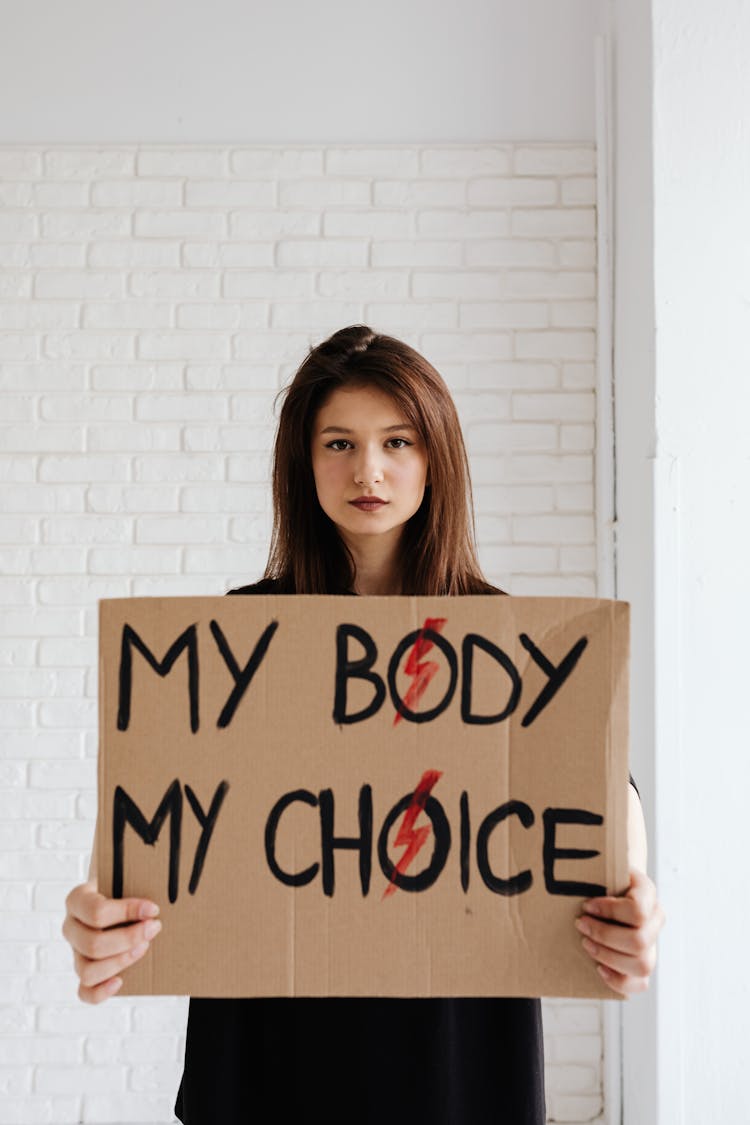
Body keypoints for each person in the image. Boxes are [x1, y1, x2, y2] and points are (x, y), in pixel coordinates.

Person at [62, 325, 665, 1124]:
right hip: (266, 1071)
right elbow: (162, 816)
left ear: (435, 458)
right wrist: (103, 919)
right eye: (339, 442)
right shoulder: (236, 636)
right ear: (303, 462)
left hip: (459, 1070)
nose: (368, 470)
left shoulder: (510, 640)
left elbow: (596, 803)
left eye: (398, 441)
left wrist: (635, 906)